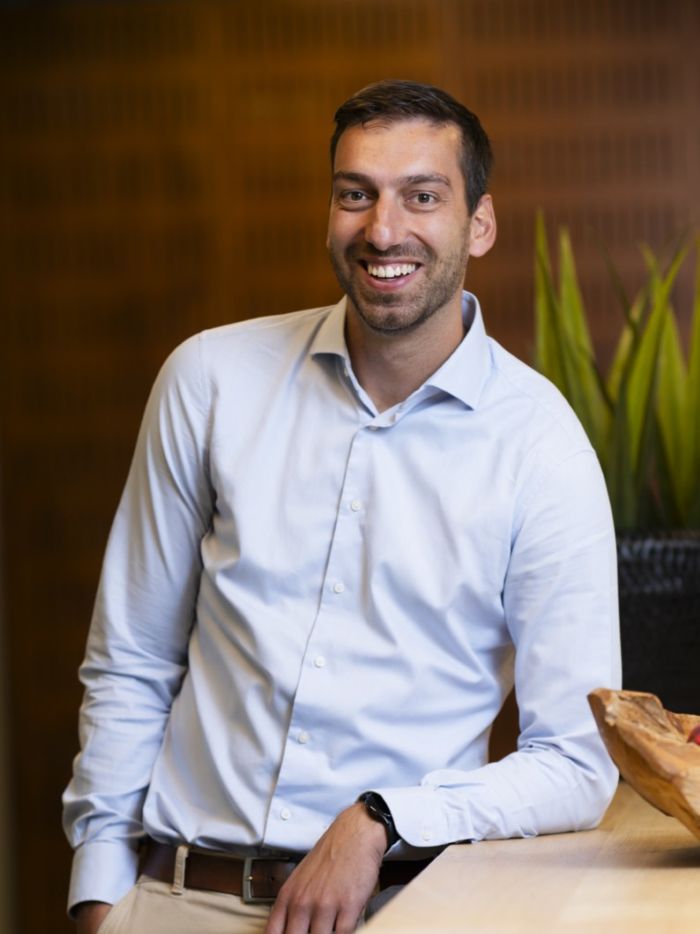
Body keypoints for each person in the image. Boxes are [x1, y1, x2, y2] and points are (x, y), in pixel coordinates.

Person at [63, 79, 621, 934]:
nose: (382, 230)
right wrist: (101, 897)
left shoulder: (542, 447)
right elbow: (132, 658)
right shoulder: (210, 380)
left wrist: (383, 818)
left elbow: (575, 762)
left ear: (480, 224)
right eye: (356, 194)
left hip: (400, 910)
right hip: (175, 900)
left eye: (422, 197)